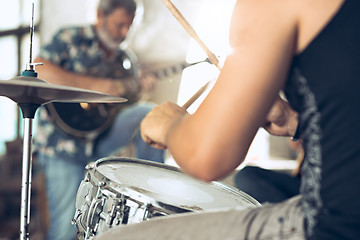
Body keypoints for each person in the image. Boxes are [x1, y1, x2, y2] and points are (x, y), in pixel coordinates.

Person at [94, 0, 360, 239]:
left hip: (333, 225)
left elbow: (206, 157)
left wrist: (171, 124)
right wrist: (295, 122)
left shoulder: (270, 6)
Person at [33, 0, 165, 239]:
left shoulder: (126, 60)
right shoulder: (70, 38)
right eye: (119, 24)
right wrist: (99, 87)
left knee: (148, 112)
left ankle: (153, 192)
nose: (124, 32)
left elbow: (126, 109)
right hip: (61, 145)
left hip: (101, 141)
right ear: (100, 16)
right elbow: (39, 70)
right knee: (66, 227)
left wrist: (138, 89)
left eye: (129, 26)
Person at [234, 138, 302, 203]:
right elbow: (295, 143)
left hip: (309, 188)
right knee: (245, 175)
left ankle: (289, 212)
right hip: (301, 182)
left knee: (245, 176)